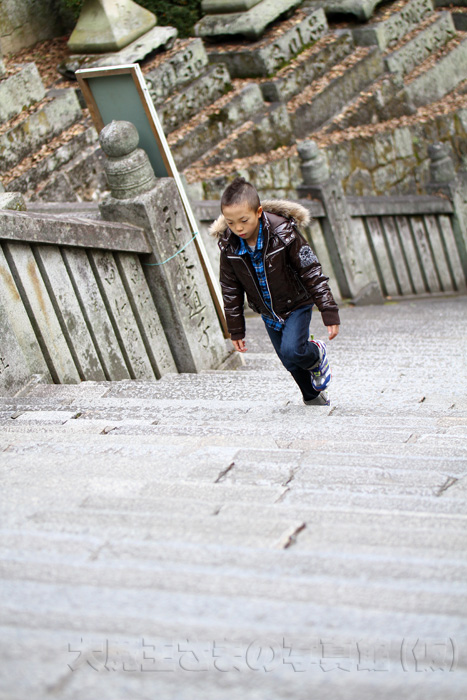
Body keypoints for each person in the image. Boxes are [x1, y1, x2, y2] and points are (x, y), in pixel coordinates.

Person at [210, 176, 340, 406]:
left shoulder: (284, 233)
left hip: (296, 303)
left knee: (293, 351)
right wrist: (236, 330)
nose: (238, 228)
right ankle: (312, 397)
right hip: (268, 312)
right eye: (230, 223)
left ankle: (316, 353)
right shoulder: (229, 246)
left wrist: (328, 310)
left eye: (244, 221)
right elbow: (230, 289)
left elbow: (311, 270)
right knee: (288, 361)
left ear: (258, 212)